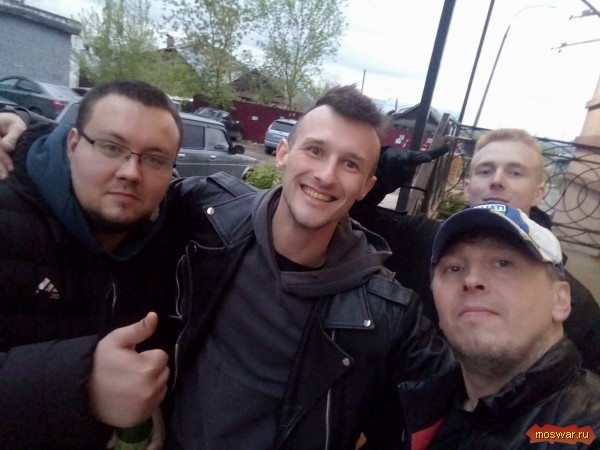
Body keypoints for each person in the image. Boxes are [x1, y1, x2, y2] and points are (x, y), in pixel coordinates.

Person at [161, 85, 453, 449]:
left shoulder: (386, 312)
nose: (326, 175)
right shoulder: (210, 214)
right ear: (283, 154)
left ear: (366, 187)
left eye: (350, 164)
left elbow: (463, 408)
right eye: (315, 150)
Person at [0, 80, 184, 448]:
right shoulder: (9, 221)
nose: (131, 171)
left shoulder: (170, 236)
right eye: (111, 147)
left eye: (154, 159)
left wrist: (148, 402)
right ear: (72, 145)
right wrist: (81, 385)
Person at [350, 127, 600, 373]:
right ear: (467, 187)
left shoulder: (569, 298)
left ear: (538, 193)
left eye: (515, 173)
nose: (497, 181)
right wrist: (377, 179)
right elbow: (355, 229)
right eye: (485, 171)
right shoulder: (423, 240)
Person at [399, 203, 600, 449]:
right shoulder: (421, 409)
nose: (471, 280)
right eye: (454, 268)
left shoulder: (584, 433)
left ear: (560, 300)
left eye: (503, 263)